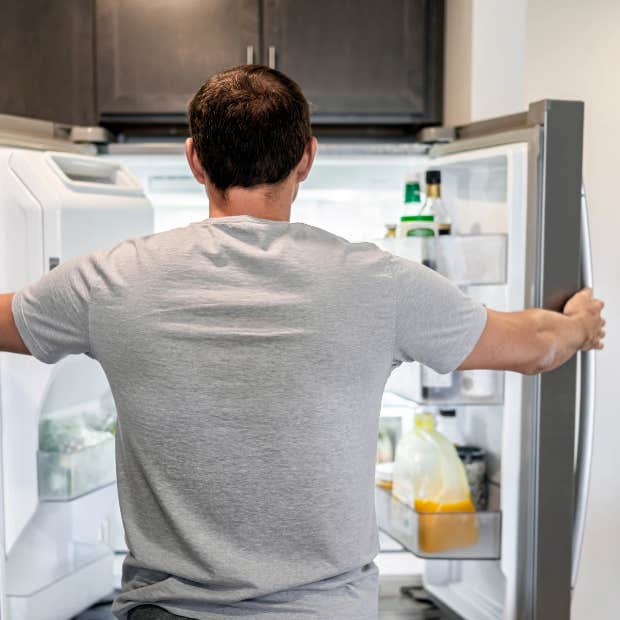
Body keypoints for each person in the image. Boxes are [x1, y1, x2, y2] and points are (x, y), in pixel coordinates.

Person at [0, 65, 605, 620]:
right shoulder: (379, 282)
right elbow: (535, 346)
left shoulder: (110, 280)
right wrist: (579, 320)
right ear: (307, 158)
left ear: (194, 159)